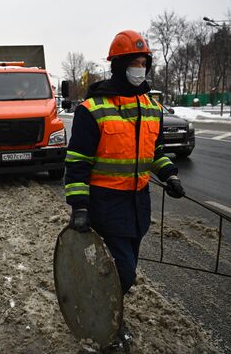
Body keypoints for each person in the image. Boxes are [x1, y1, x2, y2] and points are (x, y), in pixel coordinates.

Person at [64, 29, 185, 349]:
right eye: (134, 62)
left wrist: (169, 175)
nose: (139, 68)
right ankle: (108, 325)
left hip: (138, 204)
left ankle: (104, 308)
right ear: (118, 65)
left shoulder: (151, 106)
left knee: (122, 269)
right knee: (124, 272)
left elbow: (154, 151)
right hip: (105, 203)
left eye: (144, 62)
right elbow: (77, 163)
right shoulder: (93, 109)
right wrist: (79, 206)